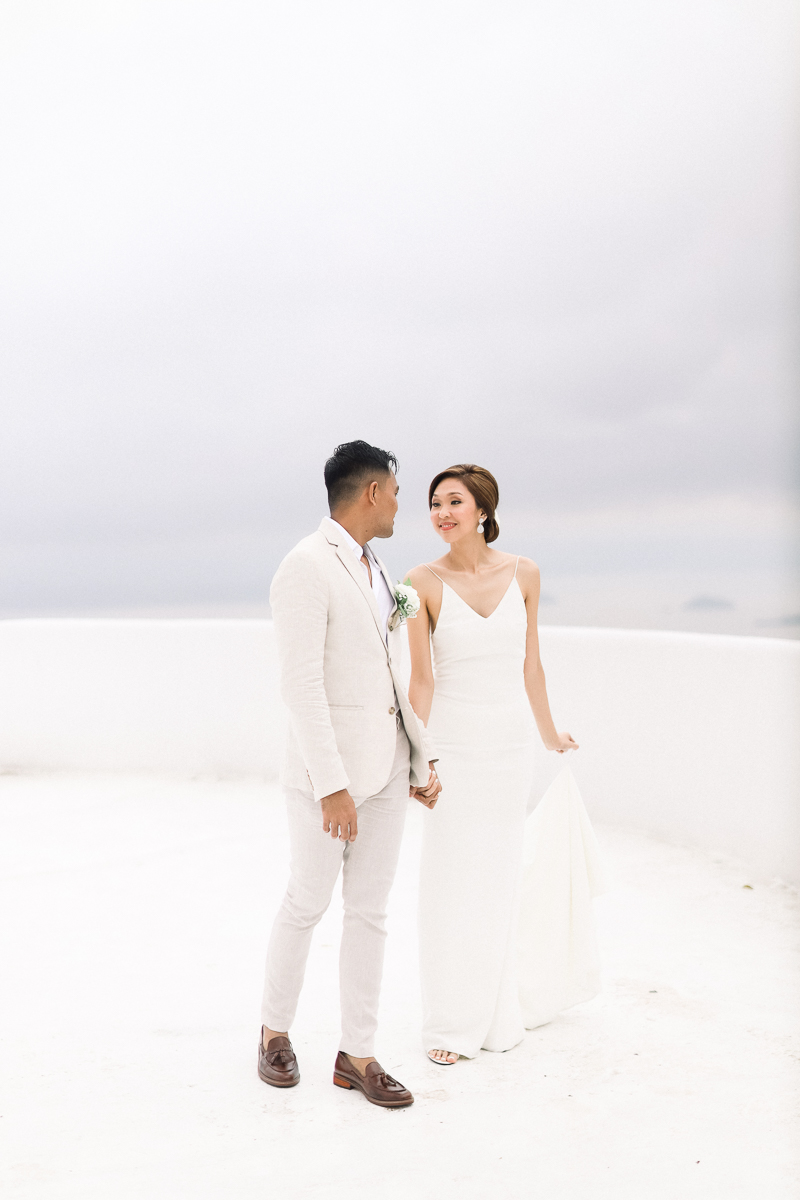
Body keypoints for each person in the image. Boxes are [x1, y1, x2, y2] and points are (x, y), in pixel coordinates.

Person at [259, 440, 441, 1108]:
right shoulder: (305, 566)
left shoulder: (376, 565)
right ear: (370, 492)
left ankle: (357, 1055)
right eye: (394, 491)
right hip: (326, 778)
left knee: (370, 912)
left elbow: (389, 675)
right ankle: (273, 1031)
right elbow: (301, 686)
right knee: (307, 902)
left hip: (388, 769)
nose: (398, 504)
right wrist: (331, 785)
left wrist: (419, 757)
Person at [405, 464, 577, 1065]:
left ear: (483, 510)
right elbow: (421, 681)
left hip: (508, 749)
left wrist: (550, 734)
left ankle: (495, 1012)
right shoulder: (420, 582)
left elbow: (532, 665)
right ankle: (451, 1022)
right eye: (434, 503)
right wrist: (417, 757)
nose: (442, 513)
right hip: (453, 749)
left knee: (498, 877)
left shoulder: (525, 572)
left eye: (454, 501)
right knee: (450, 880)